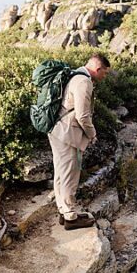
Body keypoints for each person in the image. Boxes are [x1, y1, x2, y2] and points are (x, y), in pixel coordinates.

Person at [50, 54, 109, 230]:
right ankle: (70, 217)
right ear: (98, 69)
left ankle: (64, 211)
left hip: (58, 130)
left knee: (61, 173)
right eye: (105, 73)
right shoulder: (84, 82)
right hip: (68, 134)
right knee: (69, 175)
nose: (104, 76)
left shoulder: (74, 75)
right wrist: (92, 134)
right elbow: (83, 115)